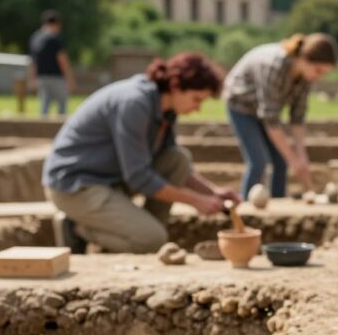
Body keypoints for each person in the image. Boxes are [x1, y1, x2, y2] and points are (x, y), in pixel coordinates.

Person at [44, 53, 236, 253]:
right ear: (176, 86)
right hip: (75, 186)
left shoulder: (167, 111)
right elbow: (138, 176)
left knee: (177, 159)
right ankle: (77, 228)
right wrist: (196, 201)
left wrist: (213, 192)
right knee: (152, 240)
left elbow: (171, 163)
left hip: (109, 180)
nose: (197, 108)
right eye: (196, 99)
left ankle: (134, 231)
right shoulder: (134, 103)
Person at [223, 33, 338, 199]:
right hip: (240, 105)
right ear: (303, 58)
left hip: (263, 110)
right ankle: (245, 206)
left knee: (280, 161)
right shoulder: (274, 66)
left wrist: (301, 155)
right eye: (318, 70)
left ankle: (278, 204)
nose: (318, 76)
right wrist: (294, 160)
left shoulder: (305, 77)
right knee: (258, 162)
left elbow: (297, 117)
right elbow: (271, 120)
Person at [28, 10, 76, 118]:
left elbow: (33, 61)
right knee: (62, 106)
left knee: (44, 106)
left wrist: (32, 79)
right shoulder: (54, 38)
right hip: (56, 78)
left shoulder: (35, 37)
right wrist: (70, 79)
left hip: (41, 78)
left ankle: (41, 132)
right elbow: (62, 60)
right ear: (56, 24)